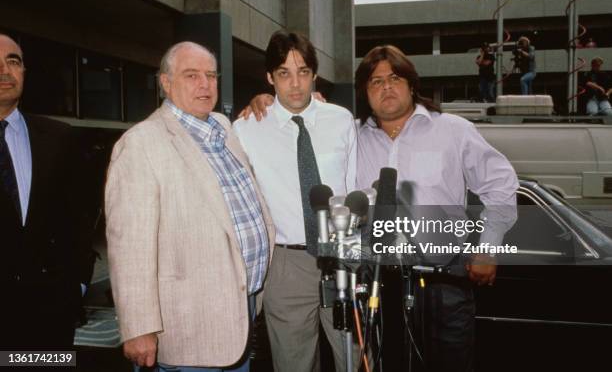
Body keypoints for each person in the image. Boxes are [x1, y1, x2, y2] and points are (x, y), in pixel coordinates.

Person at [105, 41, 275, 371]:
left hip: (241, 310)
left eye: (211, 75)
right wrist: (138, 327)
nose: (205, 84)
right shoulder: (141, 143)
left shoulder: (223, 129)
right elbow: (129, 247)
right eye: (191, 75)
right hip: (187, 328)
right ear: (166, 83)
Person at [355, 45, 518, 372]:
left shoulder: (452, 130)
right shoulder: (352, 137)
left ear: (412, 84)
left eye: (395, 78)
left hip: (445, 282)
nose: (386, 86)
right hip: (379, 284)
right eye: (375, 81)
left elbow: (500, 183)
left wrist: (487, 248)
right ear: (365, 92)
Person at [233, 30, 359, 372]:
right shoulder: (246, 129)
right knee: (294, 365)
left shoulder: (341, 120)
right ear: (269, 77)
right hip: (286, 264)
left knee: (358, 360)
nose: (296, 84)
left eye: (303, 71)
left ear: (315, 74)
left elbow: (353, 185)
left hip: (341, 256)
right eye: (284, 73)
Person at [0, 33, 94, 350]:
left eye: (13, 61)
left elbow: (81, 215)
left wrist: (77, 284)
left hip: (50, 317)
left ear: (24, 71)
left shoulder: (58, 137)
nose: (5, 71)